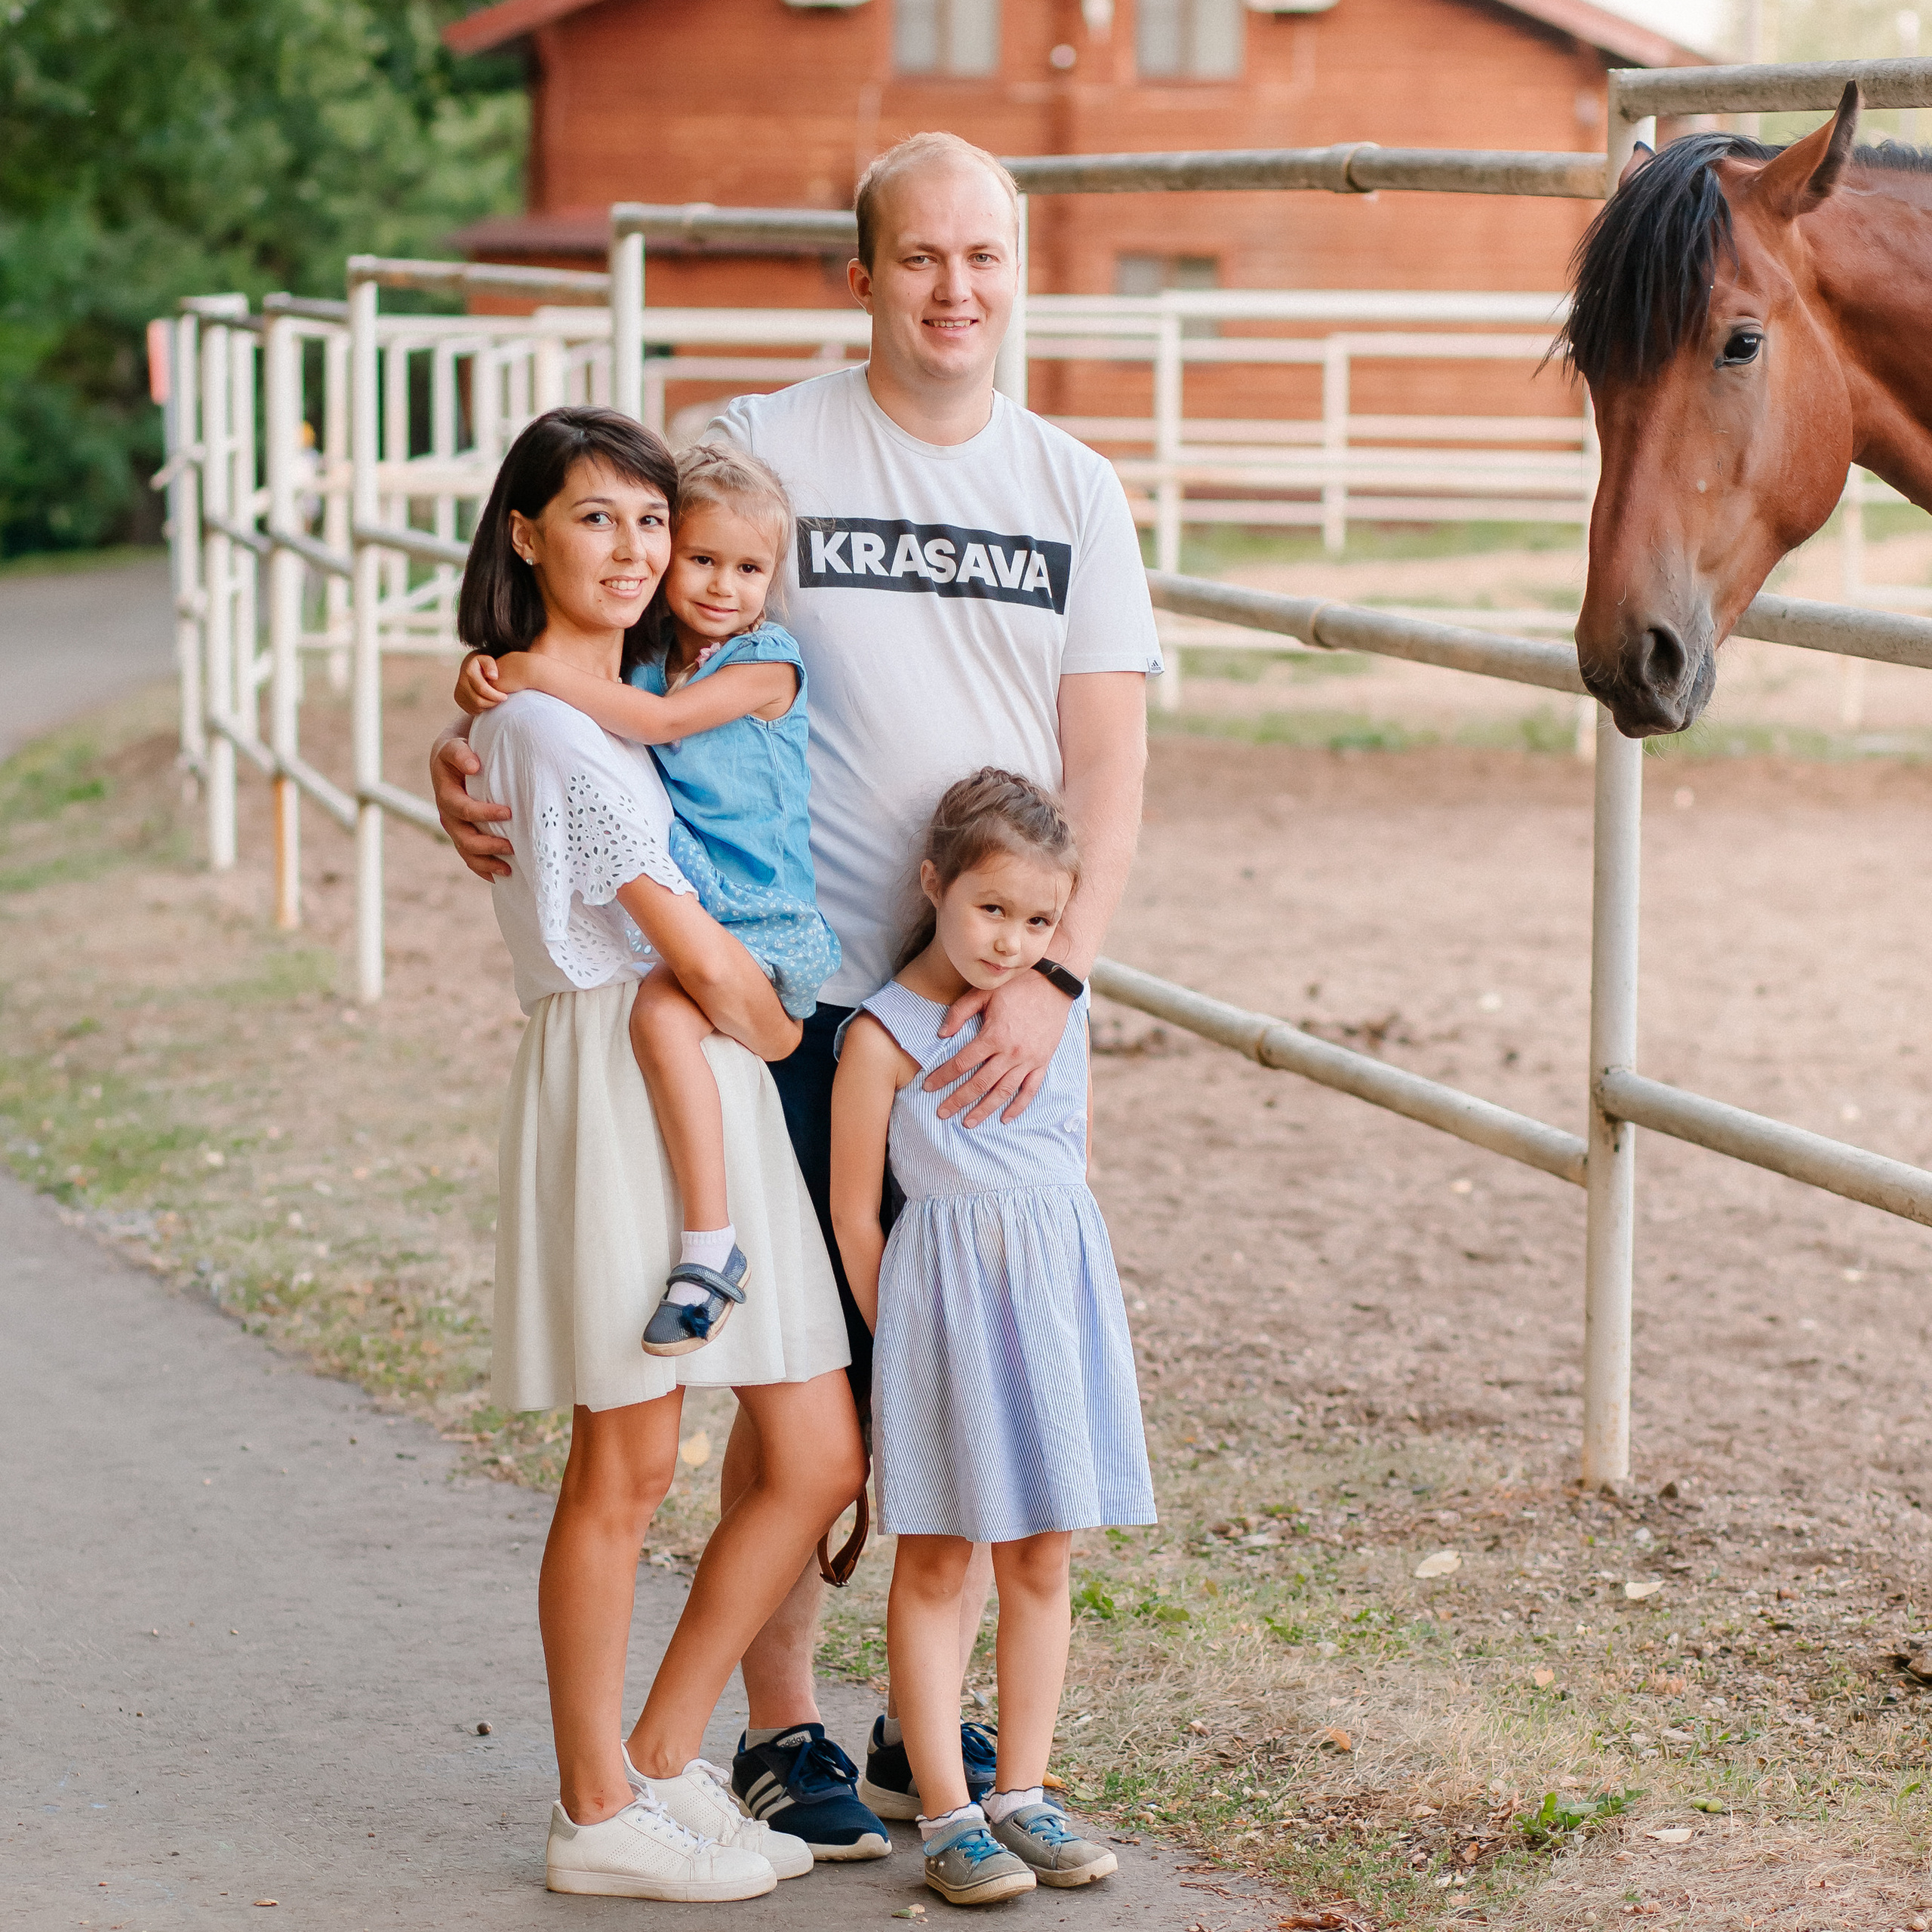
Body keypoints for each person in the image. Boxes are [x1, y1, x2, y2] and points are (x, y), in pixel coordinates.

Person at [432, 130, 1159, 1850]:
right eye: (917, 257)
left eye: (982, 258)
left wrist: (1053, 968)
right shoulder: (765, 447)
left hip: (983, 1003)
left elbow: (1109, 758)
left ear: (1018, 272)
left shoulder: (1070, 489)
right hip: (785, 982)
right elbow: (601, 613)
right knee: (797, 1365)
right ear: (860, 272)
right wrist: (471, 735)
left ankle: (933, 1731)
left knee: (962, 1345)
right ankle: (777, 1725)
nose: (953, 289)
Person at [458, 405, 872, 1900]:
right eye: (596, 519)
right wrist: (764, 1021)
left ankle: (655, 1756)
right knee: (622, 1465)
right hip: (632, 1076)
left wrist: (744, 1020)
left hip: (700, 1074)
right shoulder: (548, 727)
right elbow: (702, 965)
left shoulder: (611, 690)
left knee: (819, 1449)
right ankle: (592, 1806)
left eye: (650, 521)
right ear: (525, 533)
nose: (635, 551)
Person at [832, 770, 1154, 1906]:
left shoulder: (1058, 1021)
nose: (1013, 941)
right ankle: (948, 1812)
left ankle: (1024, 1792)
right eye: (991, 910)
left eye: (1039, 921)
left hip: (1049, 1311)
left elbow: (1071, 1174)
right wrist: (902, 1351)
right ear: (935, 886)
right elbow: (855, 1215)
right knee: (934, 1561)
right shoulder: (880, 1036)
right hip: (939, 1321)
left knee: (1042, 1555)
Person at [456, 441, 838, 1361]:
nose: (719, 585)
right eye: (701, 559)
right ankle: (711, 1246)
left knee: (668, 1020)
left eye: (749, 568)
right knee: (667, 1020)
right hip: (697, 930)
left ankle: (712, 1248)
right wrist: (475, 697)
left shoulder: (767, 664)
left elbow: (652, 728)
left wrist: (527, 672)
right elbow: (569, 731)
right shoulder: (645, 665)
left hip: (762, 920)